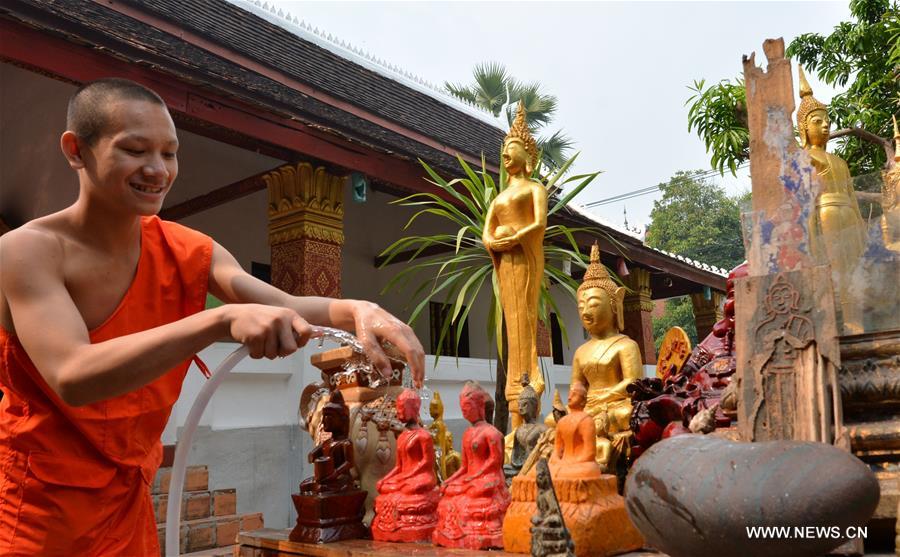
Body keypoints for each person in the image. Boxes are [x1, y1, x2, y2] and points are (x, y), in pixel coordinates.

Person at [0, 78, 424, 556]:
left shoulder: (185, 249)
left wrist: (358, 310)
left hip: (126, 509)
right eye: (135, 150)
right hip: (40, 514)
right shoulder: (27, 251)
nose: (157, 169)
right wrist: (217, 321)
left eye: (170, 153)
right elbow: (72, 375)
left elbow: (281, 303)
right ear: (76, 150)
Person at [482, 101, 548, 429]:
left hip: (523, 260)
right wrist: (495, 243)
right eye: (504, 148)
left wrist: (515, 237)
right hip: (505, 264)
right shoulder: (497, 199)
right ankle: (514, 414)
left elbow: (539, 224)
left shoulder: (535, 189)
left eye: (513, 147)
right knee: (512, 326)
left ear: (528, 154)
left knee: (524, 323)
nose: (506, 153)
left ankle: (528, 397)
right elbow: (486, 233)